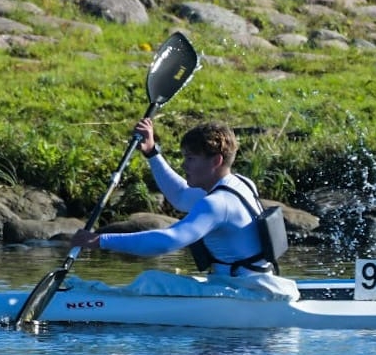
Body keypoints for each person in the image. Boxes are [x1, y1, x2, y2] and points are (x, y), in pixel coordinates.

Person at [71, 118, 295, 296]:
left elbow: (168, 241)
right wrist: (151, 152)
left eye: (191, 158)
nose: (184, 165)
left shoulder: (217, 204)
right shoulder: (241, 183)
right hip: (255, 284)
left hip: (245, 293)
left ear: (215, 161)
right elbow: (179, 195)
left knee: (151, 281)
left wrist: (101, 241)